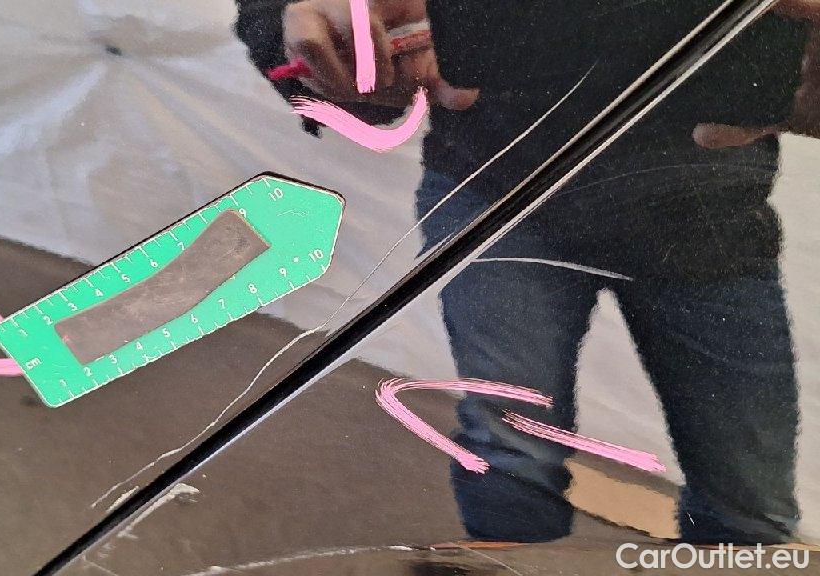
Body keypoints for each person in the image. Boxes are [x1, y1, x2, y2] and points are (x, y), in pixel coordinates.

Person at [234, 0, 817, 544]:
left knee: (748, 498)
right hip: (505, 194)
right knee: (513, 456)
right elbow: (287, 18)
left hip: (701, 212)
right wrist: (299, 28)